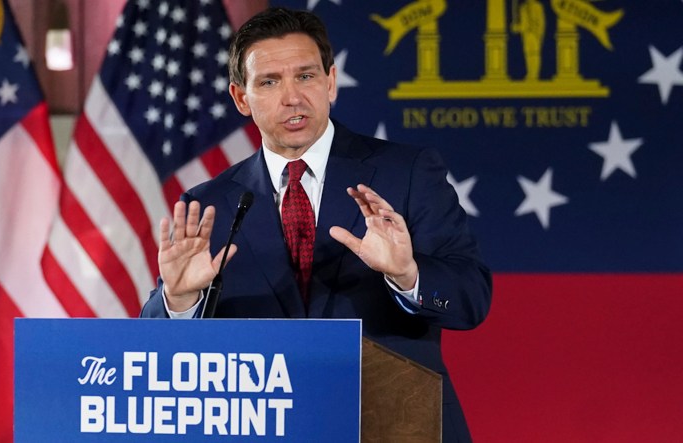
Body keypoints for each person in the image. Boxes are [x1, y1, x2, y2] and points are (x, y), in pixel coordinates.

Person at [140, 7, 492, 442]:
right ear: (241, 98)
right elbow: (158, 351)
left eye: (305, 76)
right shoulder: (209, 206)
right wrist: (179, 300)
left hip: (396, 421)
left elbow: (471, 299)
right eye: (269, 82)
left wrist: (408, 274)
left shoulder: (407, 173)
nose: (292, 97)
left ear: (330, 81)